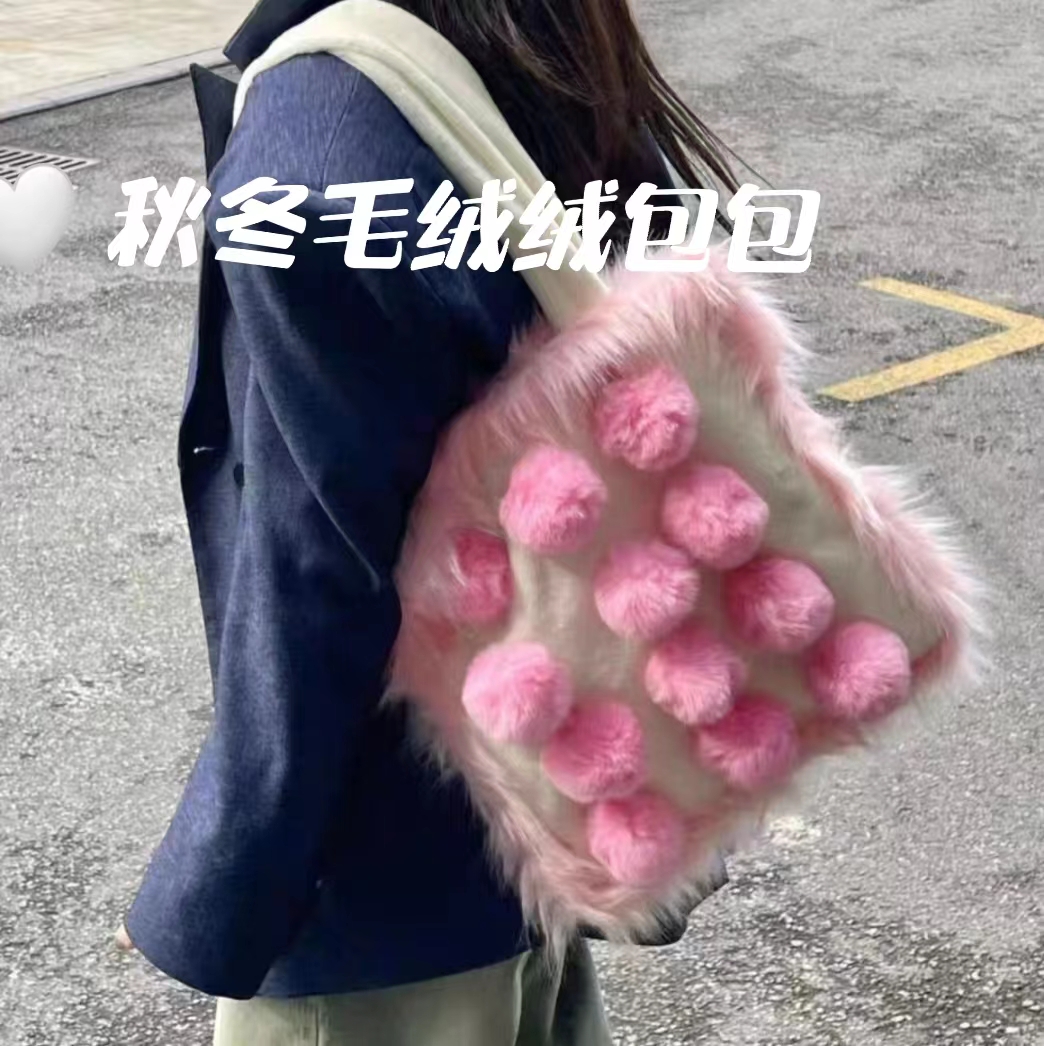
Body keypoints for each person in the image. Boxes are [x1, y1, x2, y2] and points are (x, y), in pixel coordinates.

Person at [117, 1, 739, 1042]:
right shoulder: (524, 42)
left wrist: (219, 882)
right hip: (524, 835)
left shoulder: (321, 126)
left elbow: (322, 576)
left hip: (375, 904)